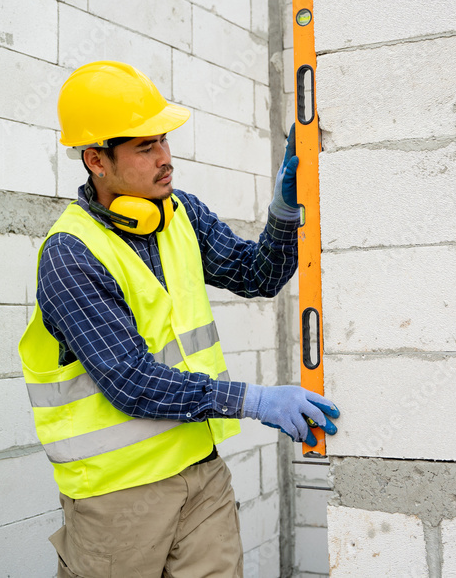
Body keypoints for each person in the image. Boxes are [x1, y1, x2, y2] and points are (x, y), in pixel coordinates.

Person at [18, 60, 339, 577]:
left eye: (164, 140)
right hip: (116, 500)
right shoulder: (71, 254)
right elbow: (131, 381)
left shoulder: (180, 212)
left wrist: (285, 209)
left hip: (201, 475)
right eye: (146, 147)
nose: (166, 158)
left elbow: (256, 274)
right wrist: (253, 401)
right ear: (97, 159)